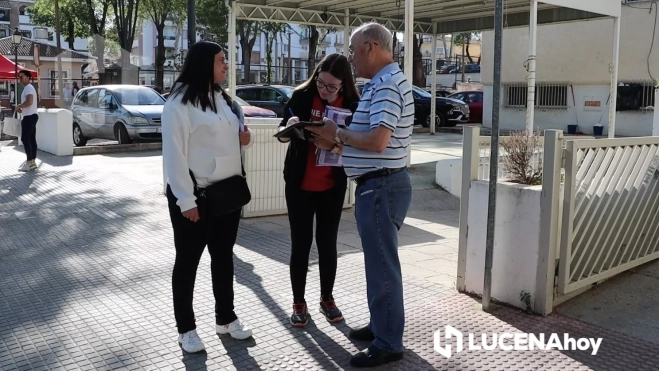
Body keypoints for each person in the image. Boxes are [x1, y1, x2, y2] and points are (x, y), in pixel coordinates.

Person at [307, 22, 414, 368]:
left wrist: (338, 132)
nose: (351, 58)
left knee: (383, 267)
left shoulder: (385, 86)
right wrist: (339, 140)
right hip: (377, 184)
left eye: (353, 50)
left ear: (370, 47)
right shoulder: (381, 84)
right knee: (378, 265)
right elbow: (368, 139)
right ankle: (382, 327)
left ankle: (388, 342)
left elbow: (378, 142)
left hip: (382, 185)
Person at [162, 41, 255, 354]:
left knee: (224, 258)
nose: (226, 66)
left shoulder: (221, 97)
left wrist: (244, 139)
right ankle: (186, 329)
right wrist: (186, 201)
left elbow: (227, 140)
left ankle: (225, 319)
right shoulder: (178, 103)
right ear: (205, 64)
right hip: (195, 198)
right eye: (221, 61)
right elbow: (174, 156)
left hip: (226, 193)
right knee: (188, 263)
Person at [277, 53, 361, 328]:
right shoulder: (302, 96)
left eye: (331, 87)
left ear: (343, 85)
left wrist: (336, 146)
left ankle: (327, 298)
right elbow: (283, 129)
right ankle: (298, 302)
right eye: (321, 84)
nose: (324, 91)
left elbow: (361, 145)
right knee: (300, 244)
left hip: (331, 186)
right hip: (300, 184)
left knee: (327, 244)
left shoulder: (353, 104)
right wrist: (289, 128)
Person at [15, 71, 39, 172]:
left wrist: (19, 106)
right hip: (31, 115)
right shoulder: (29, 88)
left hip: (29, 117)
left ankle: (29, 162)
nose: (20, 79)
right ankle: (32, 162)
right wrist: (22, 108)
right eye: (19, 77)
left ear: (28, 77)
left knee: (25, 139)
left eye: (22, 77)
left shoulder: (28, 88)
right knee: (31, 139)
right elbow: (29, 103)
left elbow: (29, 102)